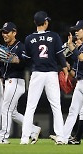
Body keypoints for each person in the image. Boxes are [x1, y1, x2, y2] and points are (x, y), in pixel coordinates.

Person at [20, 11, 68, 145]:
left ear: (35, 23)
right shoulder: (54, 36)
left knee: (30, 106)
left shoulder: (29, 38)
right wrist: (65, 72)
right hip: (51, 74)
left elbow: (27, 59)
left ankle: (24, 138)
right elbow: (60, 57)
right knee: (56, 106)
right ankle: (60, 137)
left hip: (37, 73)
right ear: (45, 22)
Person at [0, 22, 41, 144]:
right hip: (8, 82)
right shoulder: (4, 47)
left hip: (16, 81)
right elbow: (2, 67)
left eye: (7, 32)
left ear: (14, 33)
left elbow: (27, 63)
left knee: (6, 109)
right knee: (12, 112)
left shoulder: (20, 47)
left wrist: (17, 60)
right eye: (3, 32)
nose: (4, 34)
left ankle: (3, 137)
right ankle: (33, 129)